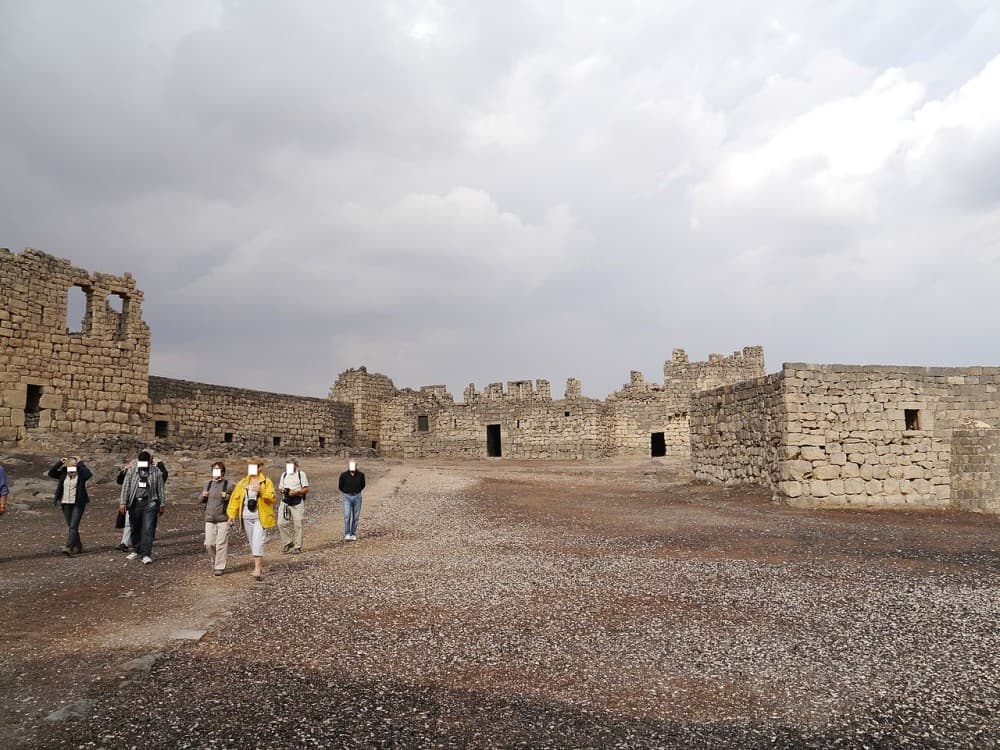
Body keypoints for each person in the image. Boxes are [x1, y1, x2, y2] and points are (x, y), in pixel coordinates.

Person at [227, 459, 276, 579]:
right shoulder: (243, 483)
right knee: (252, 542)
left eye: (254, 466)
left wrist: (262, 491)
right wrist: (231, 515)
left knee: (257, 540)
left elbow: (272, 498)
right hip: (246, 517)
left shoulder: (266, 482)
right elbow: (235, 499)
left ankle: (257, 569)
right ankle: (258, 565)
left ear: (260, 468)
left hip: (261, 517)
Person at [115, 450, 168, 552]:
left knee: (147, 526)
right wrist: (123, 502)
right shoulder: (133, 469)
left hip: (150, 501)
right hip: (134, 501)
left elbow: (162, 481)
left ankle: (145, 552)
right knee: (132, 524)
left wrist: (161, 504)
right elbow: (123, 483)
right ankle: (129, 545)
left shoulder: (156, 469)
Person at [46, 456, 93, 555]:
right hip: (65, 502)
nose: (72, 466)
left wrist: (81, 463)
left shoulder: (81, 474)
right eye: (70, 464)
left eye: (74, 464)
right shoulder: (63, 473)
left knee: (73, 526)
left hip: (78, 503)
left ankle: (69, 547)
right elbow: (51, 473)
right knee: (72, 527)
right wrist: (59, 462)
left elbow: (89, 474)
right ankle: (78, 546)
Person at [201, 461, 232, 576]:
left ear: (223, 472)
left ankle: (219, 566)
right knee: (209, 544)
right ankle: (215, 561)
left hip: (223, 518)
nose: (216, 472)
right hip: (209, 518)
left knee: (221, 543)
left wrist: (227, 497)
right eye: (214, 470)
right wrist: (203, 496)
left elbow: (235, 499)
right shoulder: (208, 484)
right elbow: (200, 500)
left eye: (218, 470)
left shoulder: (228, 484)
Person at [277, 457, 309, 554]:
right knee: (280, 523)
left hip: (297, 501)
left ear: (296, 465)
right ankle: (288, 542)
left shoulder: (301, 474)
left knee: (298, 524)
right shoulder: (284, 474)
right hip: (285, 501)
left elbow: (306, 488)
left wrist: (296, 492)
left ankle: (298, 546)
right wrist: (283, 490)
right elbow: (280, 487)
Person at [338, 459, 366, 541]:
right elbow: (340, 486)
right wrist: (346, 491)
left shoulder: (361, 475)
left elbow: (363, 485)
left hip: (357, 497)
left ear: (356, 466)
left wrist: (357, 490)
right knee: (347, 515)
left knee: (356, 516)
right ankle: (347, 533)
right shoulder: (343, 475)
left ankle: (353, 533)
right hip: (347, 497)